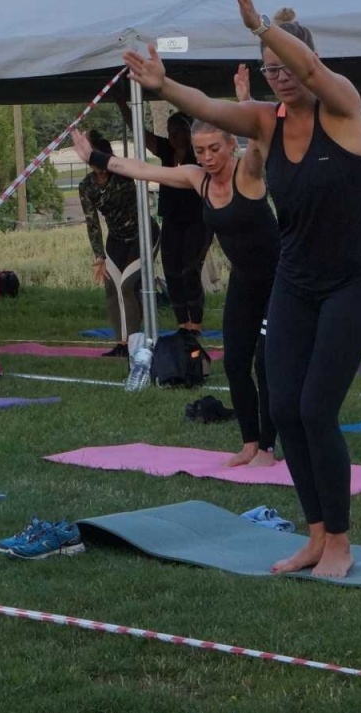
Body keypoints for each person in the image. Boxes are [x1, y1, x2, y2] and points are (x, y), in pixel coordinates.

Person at [124, 0, 361, 580]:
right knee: (287, 408)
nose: (278, 75)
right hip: (295, 282)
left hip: (354, 279)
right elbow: (210, 110)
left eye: (283, 64)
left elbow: (315, 71)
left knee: (317, 408)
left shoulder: (342, 108)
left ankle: (342, 542)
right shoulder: (265, 124)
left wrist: (261, 27)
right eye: (268, 68)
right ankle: (317, 536)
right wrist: (164, 85)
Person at [72, 108, 279, 468]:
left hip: (281, 282)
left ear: (231, 145)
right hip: (245, 282)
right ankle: (249, 443)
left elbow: (262, 140)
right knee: (234, 364)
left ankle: (267, 448)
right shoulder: (196, 178)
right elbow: (145, 170)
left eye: (215, 148)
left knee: (266, 365)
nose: (207, 158)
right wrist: (95, 157)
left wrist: (244, 104)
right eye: (200, 151)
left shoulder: (248, 172)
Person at [130, 111, 210, 343]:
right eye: (170, 132)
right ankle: (182, 324)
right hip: (172, 219)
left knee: (189, 270)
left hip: (197, 220)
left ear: (188, 133)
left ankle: (195, 323)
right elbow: (142, 134)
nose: (173, 137)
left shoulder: (198, 155)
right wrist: (124, 105)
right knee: (172, 270)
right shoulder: (165, 149)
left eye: (177, 132)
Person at [78, 130, 149, 359]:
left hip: (142, 235)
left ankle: (133, 341)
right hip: (116, 238)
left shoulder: (123, 176)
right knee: (111, 288)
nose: (98, 166)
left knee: (128, 286)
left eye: (102, 159)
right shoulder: (86, 185)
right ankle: (120, 342)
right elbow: (92, 222)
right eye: (93, 159)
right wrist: (99, 255)